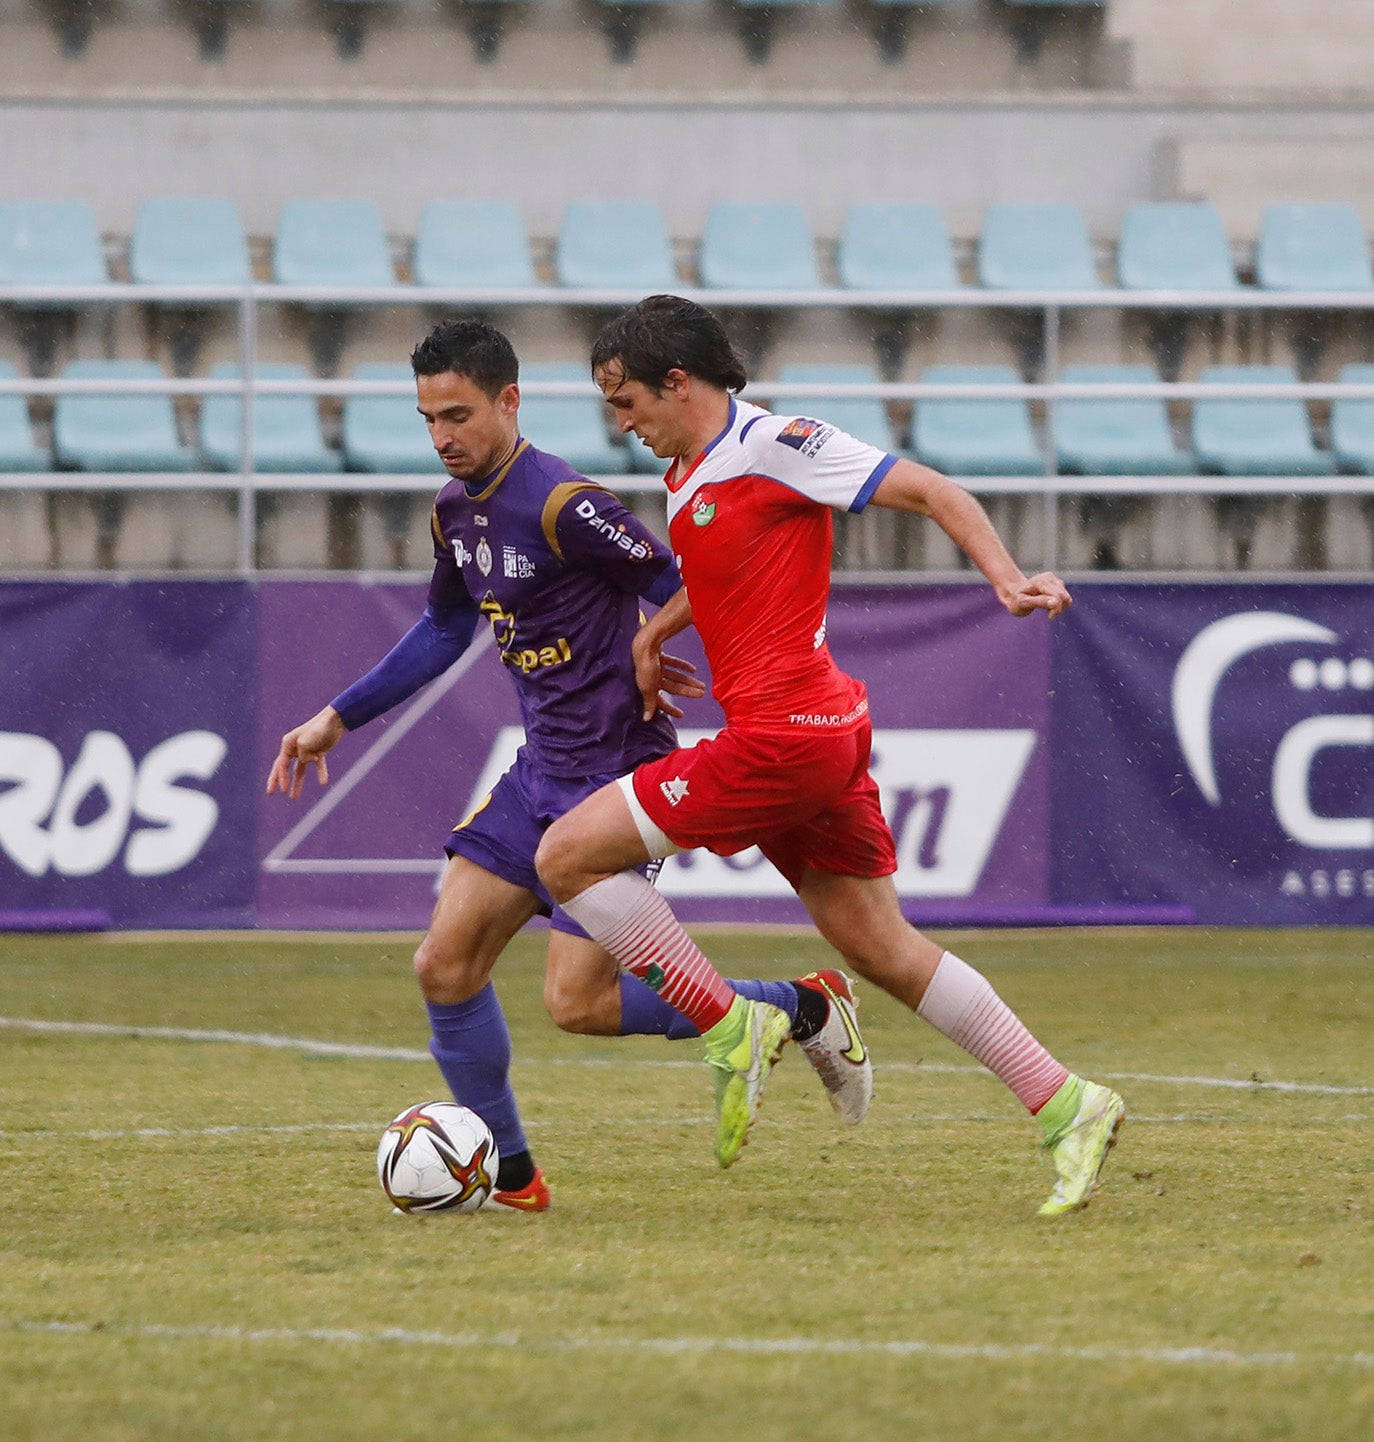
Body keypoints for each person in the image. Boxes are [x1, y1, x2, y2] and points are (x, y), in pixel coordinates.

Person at [535, 294, 1125, 1215]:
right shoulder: (688, 470)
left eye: (627, 402)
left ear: (677, 383)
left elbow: (932, 489)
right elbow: (723, 573)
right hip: (817, 735)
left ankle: (731, 1024)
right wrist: (658, 634)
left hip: (783, 739)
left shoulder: (780, 445)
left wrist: (1007, 580)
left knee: (563, 856)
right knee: (881, 948)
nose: (621, 424)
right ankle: (1068, 1103)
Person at [266, 319, 873, 1213]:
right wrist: (335, 719)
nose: (443, 436)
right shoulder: (454, 509)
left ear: (509, 402)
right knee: (444, 966)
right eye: (429, 418)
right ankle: (511, 1180)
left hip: (613, 771)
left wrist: (651, 640)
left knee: (578, 1004)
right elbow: (444, 629)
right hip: (538, 769)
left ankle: (799, 1005)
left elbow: (688, 580)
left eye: (459, 415)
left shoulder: (566, 503)